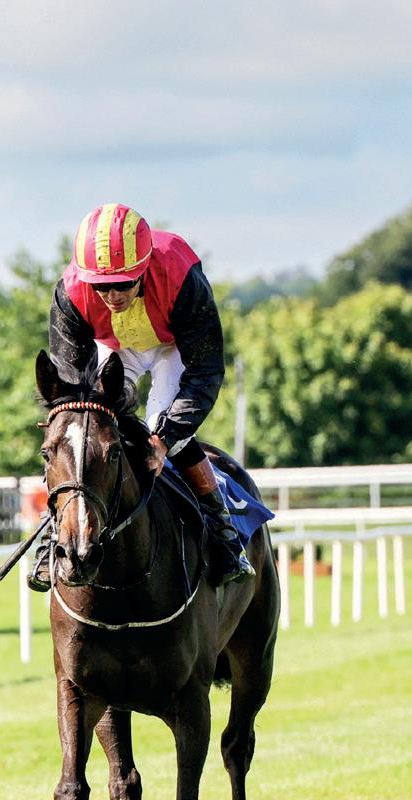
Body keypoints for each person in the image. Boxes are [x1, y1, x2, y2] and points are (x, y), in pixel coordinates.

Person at [30, 202, 254, 591]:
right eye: (101, 287)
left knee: (157, 429)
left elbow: (205, 370)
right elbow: (70, 389)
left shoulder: (181, 278)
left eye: (123, 284)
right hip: (115, 348)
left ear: (144, 269)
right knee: (79, 437)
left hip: (173, 346)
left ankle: (222, 530)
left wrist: (165, 438)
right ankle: (55, 534)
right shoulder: (71, 293)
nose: (112, 295)